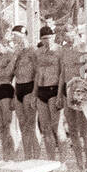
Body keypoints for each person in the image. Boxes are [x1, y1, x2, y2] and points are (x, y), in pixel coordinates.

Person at [58, 30, 87, 172]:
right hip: (68, 90)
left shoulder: (85, 48)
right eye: (64, 34)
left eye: (69, 33)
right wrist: (59, 93)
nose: (67, 37)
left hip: (81, 90)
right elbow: (62, 73)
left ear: (75, 33)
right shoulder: (64, 50)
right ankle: (79, 165)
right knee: (72, 129)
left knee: (85, 130)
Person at [33, 27, 63, 162]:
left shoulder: (59, 51)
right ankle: (51, 160)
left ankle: (63, 162)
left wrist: (60, 94)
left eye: (49, 38)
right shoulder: (38, 52)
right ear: (41, 39)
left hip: (54, 88)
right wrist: (34, 94)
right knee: (45, 128)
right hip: (41, 90)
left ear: (54, 36)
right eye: (44, 38)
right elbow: (37, 74)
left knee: (57, 127)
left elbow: (62, 74)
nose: (47, 41)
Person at [0, 35, 19, 165]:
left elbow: (9, 75)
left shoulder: (11, 54)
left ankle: (12, 157)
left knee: (8, 124)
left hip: (6, 88)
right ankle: (5, 157)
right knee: (0, 127)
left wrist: (15, 98)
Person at [10, 28, 40, 159]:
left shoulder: (32, 51)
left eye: (16, 35)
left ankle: (36, 157)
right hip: (18, 88)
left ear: (24, 36)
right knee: (22, 125)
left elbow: (38, 72)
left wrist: (34, 93)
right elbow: (10, 73)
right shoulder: (16, 53)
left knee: (31, 125)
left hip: (29, 87)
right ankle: (28, 156)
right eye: (13, 36)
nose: (14, 38)